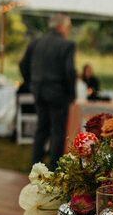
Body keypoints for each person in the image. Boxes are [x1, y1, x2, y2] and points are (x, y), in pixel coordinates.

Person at [19, 13, 76, 170]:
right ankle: (54, 169)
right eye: (68, 27)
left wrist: (31, 83)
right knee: (57, 132)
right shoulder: (66, 45)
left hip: (39, 91)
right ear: (61, 26)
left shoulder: (36, 42)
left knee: (41, 129)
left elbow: (22, 64)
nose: (68, 30)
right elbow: (69, 71)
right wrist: (72, 94)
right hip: (58, 93)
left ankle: (35, 166)